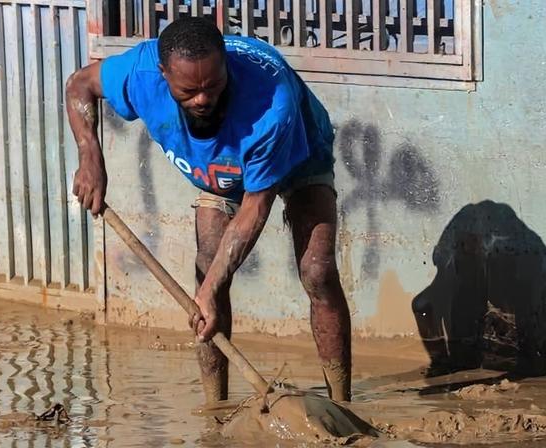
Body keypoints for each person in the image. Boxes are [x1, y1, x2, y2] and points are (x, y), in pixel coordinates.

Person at [65, 17, 352, 403]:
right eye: (189, 91)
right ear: (163, 75)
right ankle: (215, 407)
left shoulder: (272, 104)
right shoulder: (139, 72)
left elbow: (255, 205)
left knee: (317, 271)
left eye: (213, 86)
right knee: (206, 272)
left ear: (226, 68)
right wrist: (89, 154)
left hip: (301, 152)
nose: (202, 99)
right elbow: (79, 85)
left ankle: (341, 403)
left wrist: (211, 288)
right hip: (217, 168)